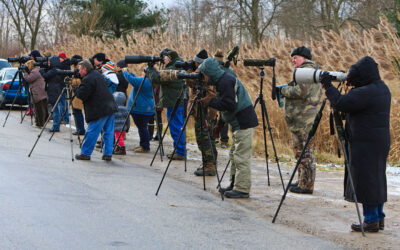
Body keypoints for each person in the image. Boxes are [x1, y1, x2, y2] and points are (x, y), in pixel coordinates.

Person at [320, 56, 391, 233]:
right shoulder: (381, 88)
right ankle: (378, 217)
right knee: (376, 177)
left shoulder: (365, 92)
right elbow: (352, 103)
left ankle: (371, 220)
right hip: (378, 140)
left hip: (366, 142)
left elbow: (341, 103)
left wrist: (328, 86)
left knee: (367, 180)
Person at [199, 57, 258, 198]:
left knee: (241, 157)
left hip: (244, 122)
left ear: (210, 72)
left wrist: (210, 101)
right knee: (234, 155)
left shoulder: (225, 82)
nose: (203, 77)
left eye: (204, 74)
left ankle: (242, 189)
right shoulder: (222, 80)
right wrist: (219, 125)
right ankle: (234, 184)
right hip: (239, 123)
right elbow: (227, 107)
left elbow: (229, 105)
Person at [279, 46, 322, 194]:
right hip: (300, 120)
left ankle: (307, 185)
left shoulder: (307, 71)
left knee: (305, 153)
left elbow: (301, 91)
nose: (293, 60)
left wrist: (283, 90)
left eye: (295, 57)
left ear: (304, 58)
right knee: (300, 152)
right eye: (292, 57)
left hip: (305, 120)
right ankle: (301, 181)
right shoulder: (305, 71)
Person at [74, 59, 118, 161]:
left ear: (85, 69)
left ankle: (85, 153)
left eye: (80, 69)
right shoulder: (97, 75)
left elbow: (82, 95)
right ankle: (108, 153)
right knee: (108, 132)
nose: (78, 72)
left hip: (99, 109)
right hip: (109, 106)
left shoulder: (88, 79)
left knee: (92, 131)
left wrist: (76, 89)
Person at [147, 49, 186, 160]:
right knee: (177, 126)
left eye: (164, 59)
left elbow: (157, 78)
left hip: (174, 102)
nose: (163, 61)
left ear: (169, 58)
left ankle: (180, 151)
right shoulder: (180, 65)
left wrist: (150, 69)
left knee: (175, 127)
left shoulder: (173, 69)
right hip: (176, 101)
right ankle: (178, 149)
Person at [185, 49, 218, 176]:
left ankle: (209, 165)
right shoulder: (210, 69)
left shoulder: (202, 72)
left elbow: (190, 82)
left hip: (203, 108)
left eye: (196, 62)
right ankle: (210, 162)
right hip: (208, 108)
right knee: (208, 136)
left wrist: (188, 71)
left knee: (203, 137)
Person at [124, 70, 155, 153]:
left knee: (142, 128)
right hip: (147, 108)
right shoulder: (150, 81)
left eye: (144, 71)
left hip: (140, 109)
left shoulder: (144, 81)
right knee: (143, 127)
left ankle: (145, 146)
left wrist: (125, 71)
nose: (142, 72)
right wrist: (132, 74)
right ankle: (144, 145)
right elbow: (136, 80)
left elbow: (132, 80)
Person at [213, 49, 238, 148]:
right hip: (228, 97)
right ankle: (224, 140)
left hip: (216, 96)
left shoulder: (214, 69)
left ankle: (214, 137)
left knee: (215, 117)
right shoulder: (230, 71)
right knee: (224, 118)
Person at [40, 55, 63, 132]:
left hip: (54, 90)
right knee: (55, 108)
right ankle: (56, 125)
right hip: (55, 89)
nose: (49, 63)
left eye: (50, 62)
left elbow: (46, 76)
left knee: (55, 109)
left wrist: (42, 70)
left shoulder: (55, 70)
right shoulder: (57, 69)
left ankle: (56, 126)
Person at [23, 60, 47, 127]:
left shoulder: (35, 71)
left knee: (39, 109)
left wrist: (25, 72)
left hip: (38, 92)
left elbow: (28, 79)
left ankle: (40, 124)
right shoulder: (38, 69)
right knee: (40, 108)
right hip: (41, 91)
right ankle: (39, 123)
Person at [70, 54, 86, 136]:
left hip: (78, 96)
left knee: (77, 112)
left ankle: (81, 129)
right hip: (76, 94)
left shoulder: (80, 72)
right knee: (77, 112)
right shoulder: (80, 70)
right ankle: (80, 129)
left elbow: (77, 83)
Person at [58, 52, 71, 124]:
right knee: (63, 103)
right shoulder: (67, 64)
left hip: (63, 86)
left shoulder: (63, 66)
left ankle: (65, 119)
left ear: (62, 58)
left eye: (59, 58)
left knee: (63, 103)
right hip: (63, 86)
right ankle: (64, 118)